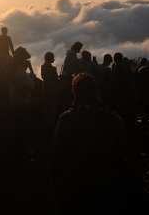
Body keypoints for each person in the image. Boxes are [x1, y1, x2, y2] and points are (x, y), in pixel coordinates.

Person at [49, 73, 128, 214]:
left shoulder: (66, 120)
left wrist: (57, 185)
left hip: (73, 187)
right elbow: (121, 157)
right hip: (105, 187)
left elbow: (56, 156)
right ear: (96, 91)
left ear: (74, 93)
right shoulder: (114, 120)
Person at [8, 47, 35, 163]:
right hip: (21, 104)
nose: (26, 60)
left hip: (15, 103)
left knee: (18, 131)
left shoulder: (12, 69)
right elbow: (32, 85)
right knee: (21, 131)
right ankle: (21, 156)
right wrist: (31, 77)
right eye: (24, 58)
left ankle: (21, 152)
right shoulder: (19, 71)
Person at [110, 52, 135, 127]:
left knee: (120, 110)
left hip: (119, 93)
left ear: (115, 59)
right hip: (128, 92)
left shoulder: (116, 68)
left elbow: (113, 81)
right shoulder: (128, 67)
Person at [59, 41, 83, 114]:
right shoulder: (72, 54)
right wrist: (80, 61)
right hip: (67, 75)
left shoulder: (71, 53)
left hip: (66, 74)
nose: (80, 50)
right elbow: (73, 64)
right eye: (80, 48)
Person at [41, 52, 59, 125]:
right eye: (52, 57)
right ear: (50, 58)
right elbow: (55, 78)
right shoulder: (52, 69)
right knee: (52, 105)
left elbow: (43, 77)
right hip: (52, 88)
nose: (54, 59)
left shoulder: (43, 67)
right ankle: (52, 120)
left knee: (46, 104)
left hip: (45, 87)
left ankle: (46, 120)